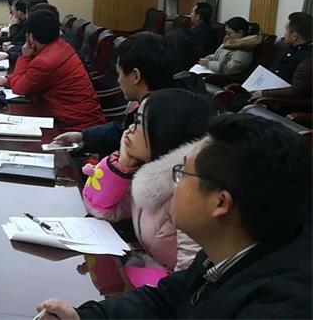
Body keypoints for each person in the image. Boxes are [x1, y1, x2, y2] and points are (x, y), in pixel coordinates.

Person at [37, 114, 311, 319]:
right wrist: (82, 317)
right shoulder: (227, 250)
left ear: (220, 203)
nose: (173, 186)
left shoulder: (282, 305)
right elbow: (163, 301)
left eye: (181, 174)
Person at [82, 89, 217, 286]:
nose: (130, 129)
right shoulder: (148, 171)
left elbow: (188, 281)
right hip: (152, 277)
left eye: (139, 122)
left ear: (166, 131)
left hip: (169, 291)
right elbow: (103, 210)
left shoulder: (192, 190)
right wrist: (123, 165)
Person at [52, 32, 177, 155]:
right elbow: (121, 132)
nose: (118, 81)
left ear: (135, 76)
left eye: (119, 74)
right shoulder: (156, 105)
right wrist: (84, 138)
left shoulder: (161, 124)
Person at [0, 10, 105, 130]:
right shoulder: (62, 45)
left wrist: (24, 56)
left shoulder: (45, 61)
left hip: (75, 126)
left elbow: (19, 89)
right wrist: (6, 81)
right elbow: (32, 78)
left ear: (31, 37)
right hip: (84, 120)